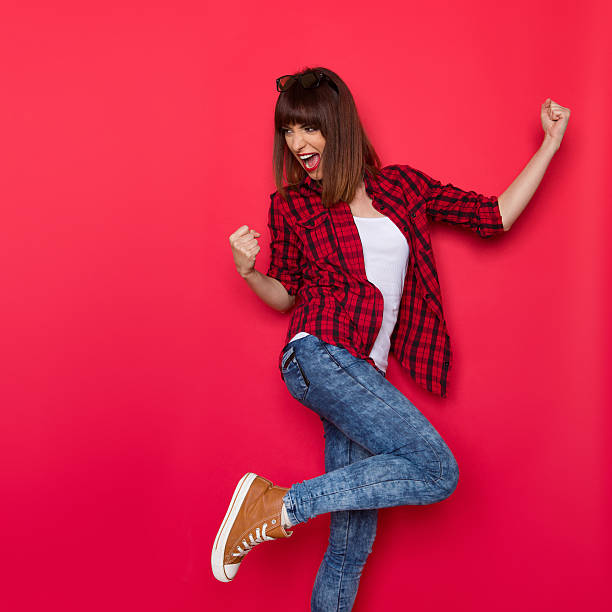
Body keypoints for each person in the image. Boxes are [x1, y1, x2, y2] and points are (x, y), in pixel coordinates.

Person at [212, 66, 570, 610]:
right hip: (320, 353)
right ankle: (277, 505)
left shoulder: (402, 187)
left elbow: (493, 215)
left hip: (362, 370)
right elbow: (286, 294)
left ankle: (277, 507)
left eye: (307, 127)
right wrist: (247, 272)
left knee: (351, 546)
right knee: (437, 469)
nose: (297, 143)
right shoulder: (292, 204)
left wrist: (550, 144)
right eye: (287, 131)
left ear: (338, 123)